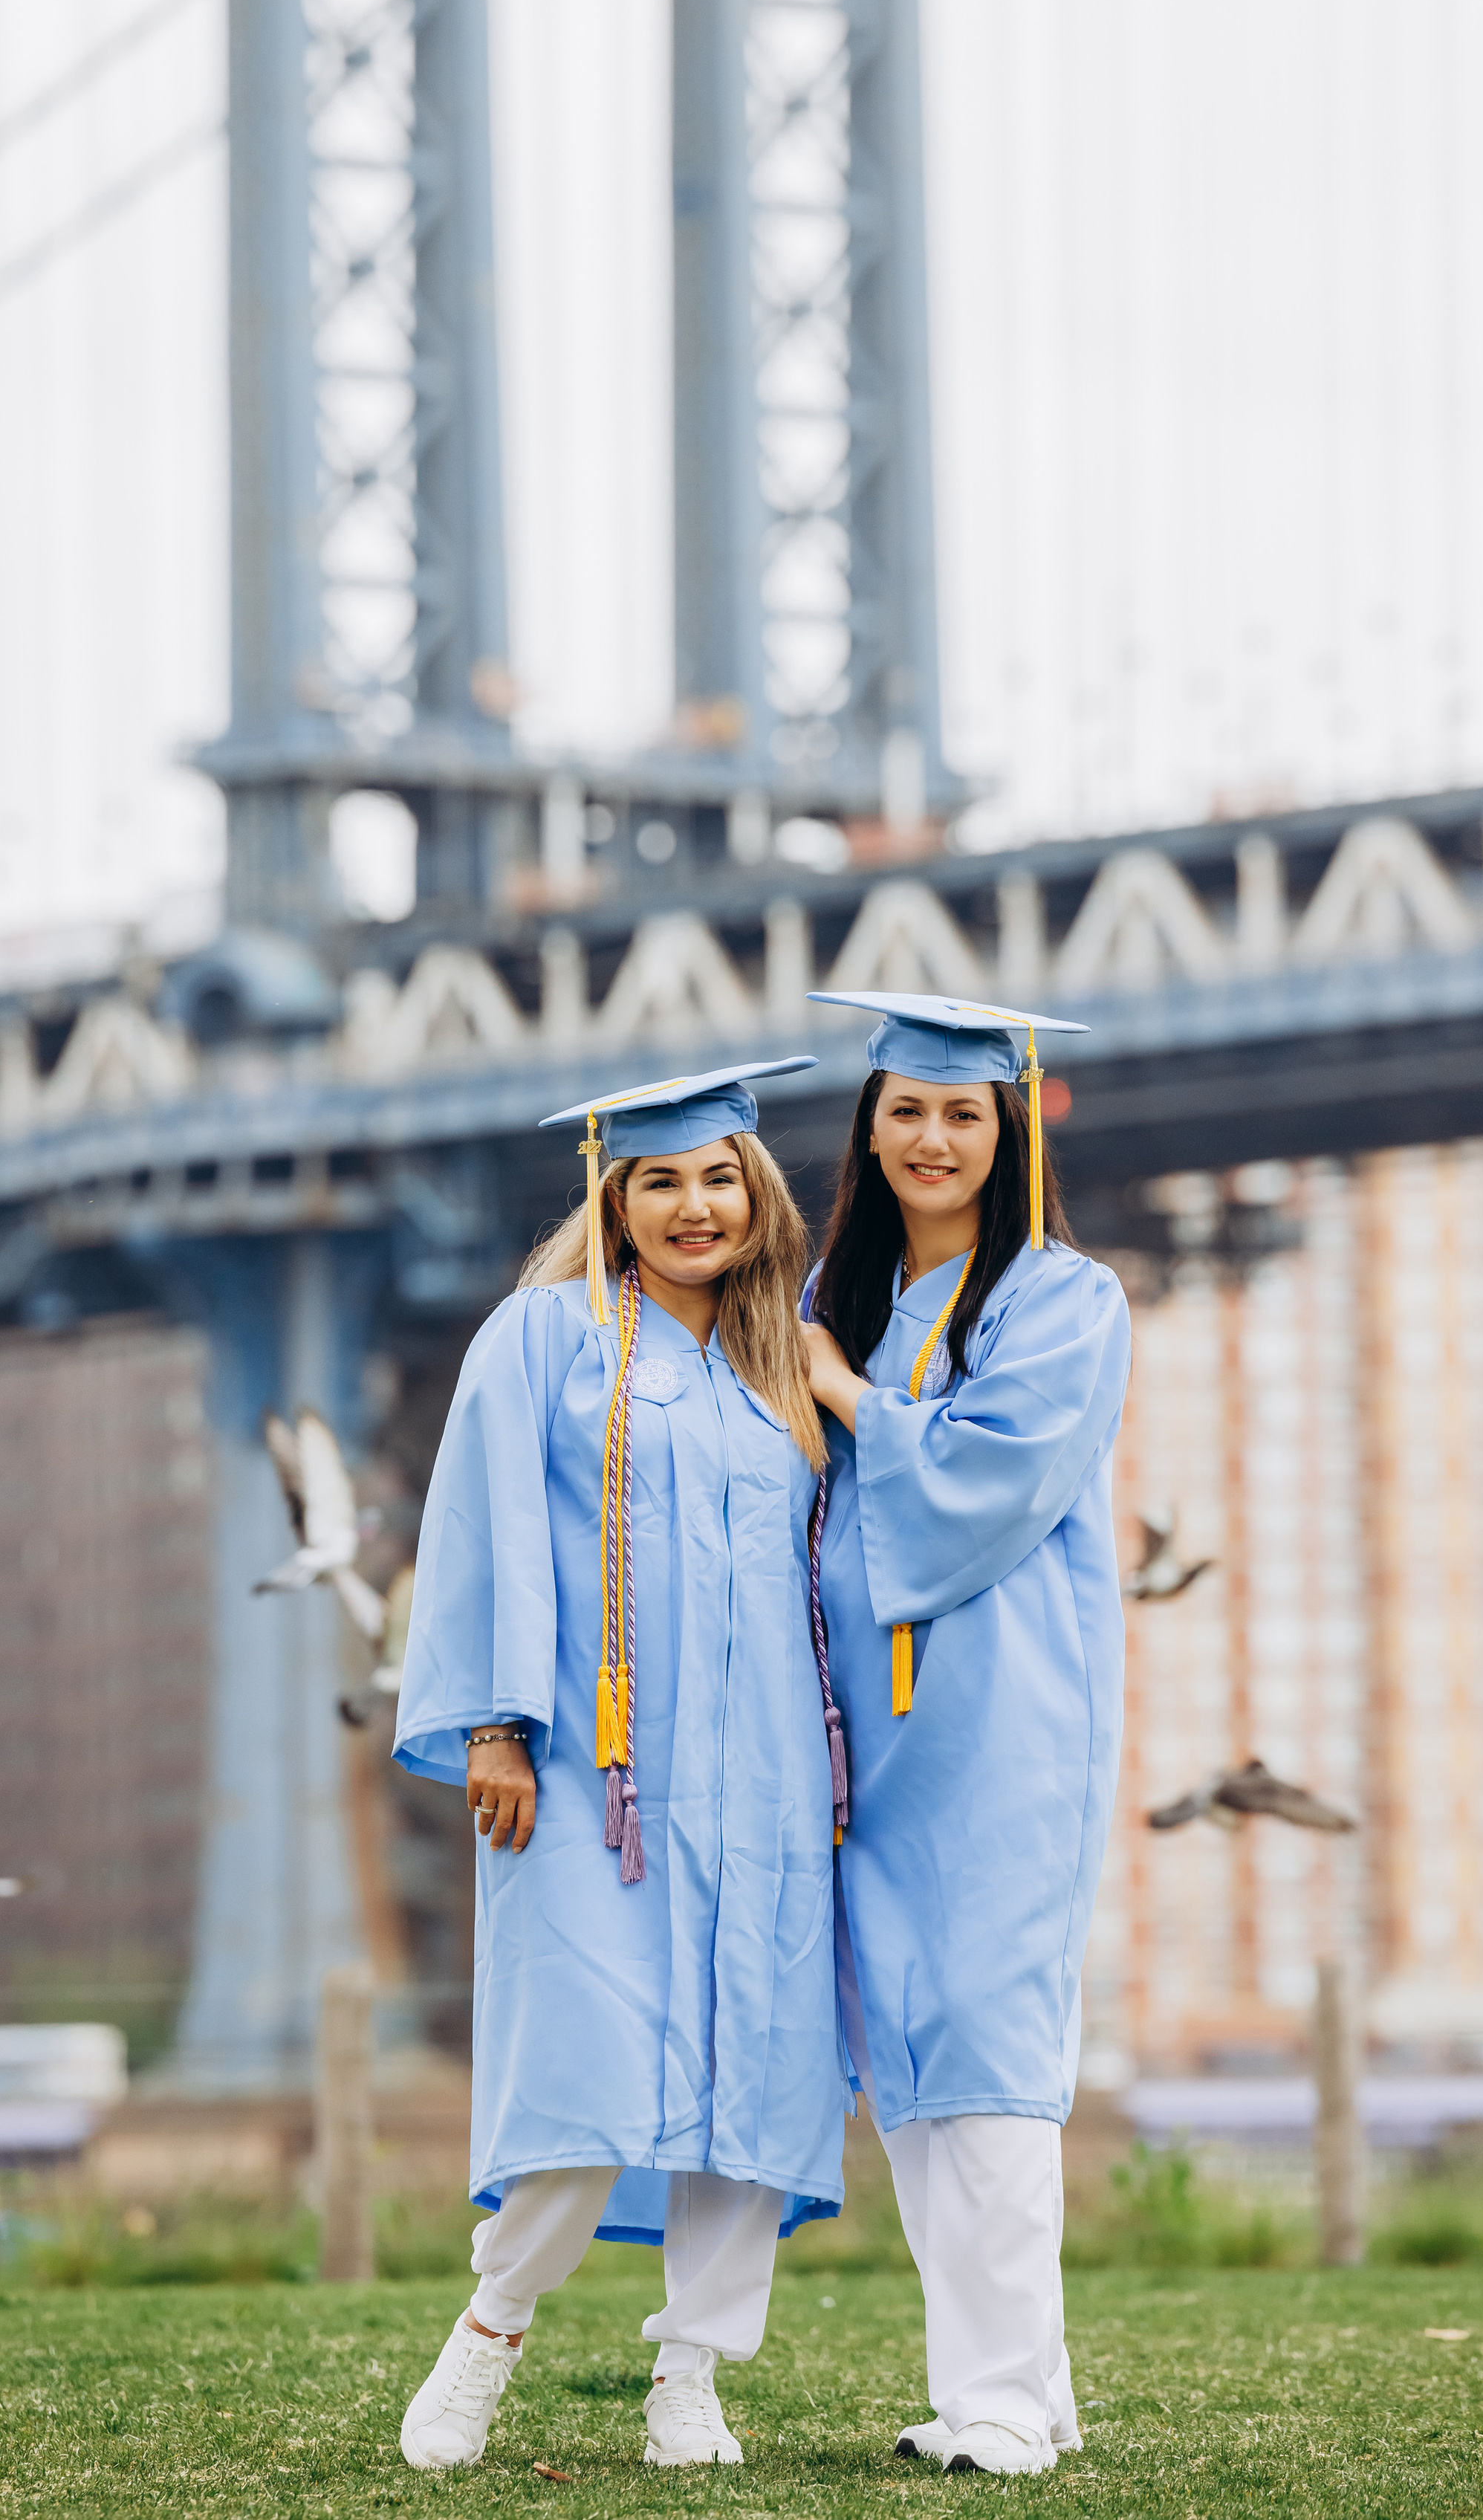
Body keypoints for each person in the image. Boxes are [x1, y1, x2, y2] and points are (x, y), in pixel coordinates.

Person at [392, 1060, 851, 2474]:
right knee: (580, 2072)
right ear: (617, 1196)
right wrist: (493, 1721)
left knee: (748, 2089)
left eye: (720, 1178)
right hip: (601, 1780)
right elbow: (483, 1526)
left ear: (757, 1194)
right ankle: (492, 2328)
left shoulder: (789, 1354)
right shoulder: (544, 1337)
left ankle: (693, 2378)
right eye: (662, 1179)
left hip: (767, 1788)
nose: (695, 1205)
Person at [798, 990, 1132, 2478]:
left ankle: (997, 2398)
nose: (933, 1137)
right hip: (864, 1745)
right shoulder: (836, 1299)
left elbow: (987, 1486)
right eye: (906, 1111)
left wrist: (850, 1402)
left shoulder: (1061, 1299)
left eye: (963, 1114)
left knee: (989, 2047)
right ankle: (1013, 2385)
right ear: (868, 1132)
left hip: (1002, 1723)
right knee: (914, 2057)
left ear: (1007, 1136)